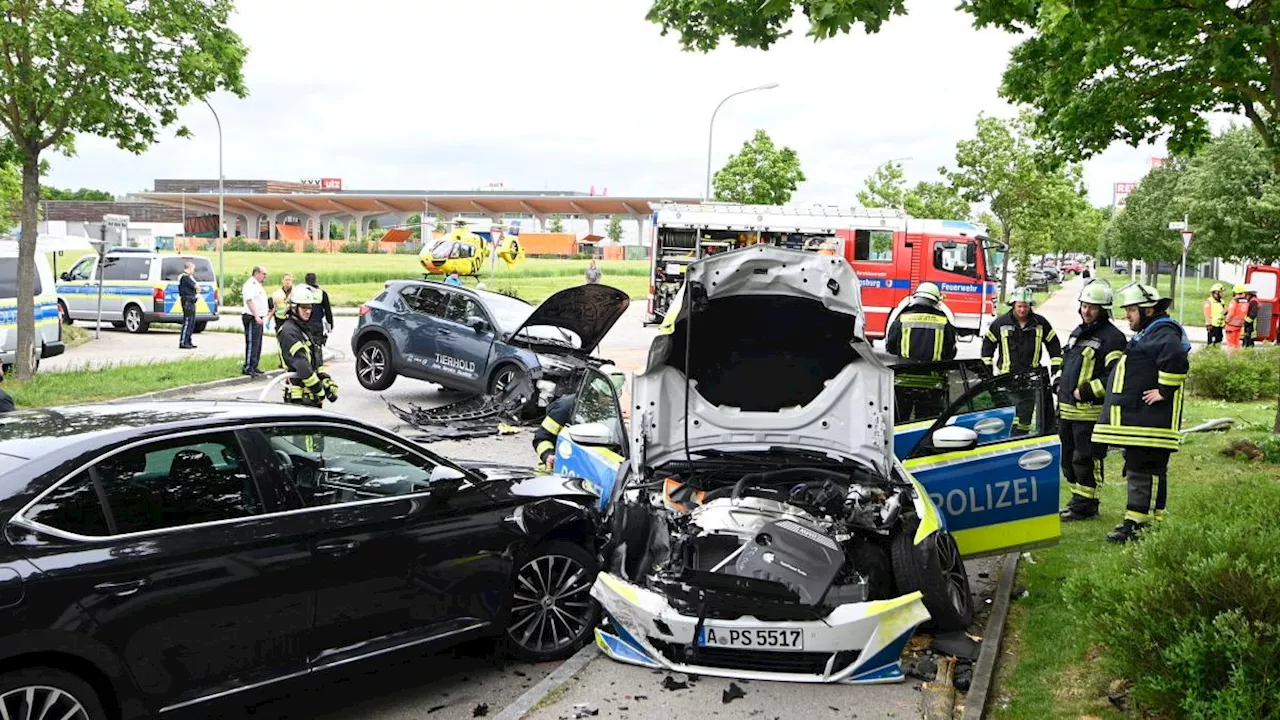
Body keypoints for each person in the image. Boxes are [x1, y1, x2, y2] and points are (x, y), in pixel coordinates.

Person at [1092, 283, 1190, 544]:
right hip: (1145, 421)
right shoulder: (1152, 332)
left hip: (1152, 422)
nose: (1127, 315)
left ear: (1148, 310)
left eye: (1132, 310)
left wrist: (1164, 390)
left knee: (1146, 470)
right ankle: (1142, 522)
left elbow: (1177, 359)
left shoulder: (1163, 332)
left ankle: (1139, 526)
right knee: (1141, 468)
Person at [1057, 280, 1127, 521]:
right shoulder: (1078, 333)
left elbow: (1115, 375)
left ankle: (1087, 505)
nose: (1087, 311)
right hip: (1067, 411)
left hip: (1089, 413)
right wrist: (1059, 381)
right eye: (1084, 306)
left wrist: (1086, 391)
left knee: (1086, 458)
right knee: (1068, 460)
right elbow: (1068, 364)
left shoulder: (1113, 338)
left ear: (1104, 310)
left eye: (1093, 308)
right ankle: (1078, 500)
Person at [981, 287, 1063, 433]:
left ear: (1030, 306)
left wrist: (1056, 367)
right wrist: (987, 370)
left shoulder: (1040, 323)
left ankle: (1021, 438)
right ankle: (1007, 439)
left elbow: (1054, 345)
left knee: (1025, 417)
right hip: (1006, 379)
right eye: (1019, 306)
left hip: (1031, 379)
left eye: (1025, 306)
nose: (1022, 310)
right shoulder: (1000, 323)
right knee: (1008, 415)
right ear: (1013, 305)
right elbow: (988, 345)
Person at [885, 282, 957, 421]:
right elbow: (950, 353)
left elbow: (890, 347)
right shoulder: (944, 321)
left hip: (903, 381)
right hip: (932, 384)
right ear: (936, 301)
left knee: (898, 424)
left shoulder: (902, 318)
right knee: (925, 426)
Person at [277, 285, 338, 407]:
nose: (308, 311)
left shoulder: (303, 328)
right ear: (294, 307)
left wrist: (324, 378)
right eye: (304, 307)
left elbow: (314, 358)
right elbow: (302, 366)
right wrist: (319, 391)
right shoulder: (289, 332)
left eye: (310, 307)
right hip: (298, 399)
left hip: (310, 398)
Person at [241, 266, 269, 377]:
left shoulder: (257, 285)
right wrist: (257, 316)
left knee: (257, 343)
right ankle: (249, 367)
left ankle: (254, 365)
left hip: (259, 317)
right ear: (257, 273)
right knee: (252, 342)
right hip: (252, 317)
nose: (265, 276)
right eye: (264, 274)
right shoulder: (250, 284)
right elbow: (250, 301)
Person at [302, 272, 334, 363]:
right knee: (317, 346)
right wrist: (330, 325)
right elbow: (328, 311)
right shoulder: (322, 293)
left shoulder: (302, 292)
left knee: (306, 346)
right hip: (317, 324)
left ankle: (308, 364)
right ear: (316, 280)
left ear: (305, 281)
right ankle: (318, 365)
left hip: (305, 324)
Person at [178, 261, 199, 350]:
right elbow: (196, 286)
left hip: (191, 300)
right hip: (187, 301)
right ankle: (183, 342)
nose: (193, 271)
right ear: (189, 268)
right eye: (193, 269)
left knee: (191, 322)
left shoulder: (189, 277)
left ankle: (188, 341)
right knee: (187, 321)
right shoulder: (185, 277)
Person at [1224, 283, 1250, 350]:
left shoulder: (1234, 301)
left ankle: (1231, 358)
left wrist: (1226, 320)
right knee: (1237, 343)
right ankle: (1237, 357)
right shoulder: (1246, 302)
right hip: (1239, 325)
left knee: (1231, 344)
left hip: (1231, 325)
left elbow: (1231, 313)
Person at [1202, 282, 1227, 347]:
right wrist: (1209, 324)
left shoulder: (1222, 301)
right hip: (1212, 325)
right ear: (1215, 292)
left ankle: (1216, 353)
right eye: (1221, 292)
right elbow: (1207, 314)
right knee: (1211, 342)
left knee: (1218, 341)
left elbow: (1223, 311)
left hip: (1220, 325)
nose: (1222, 294)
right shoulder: (1209, 302)